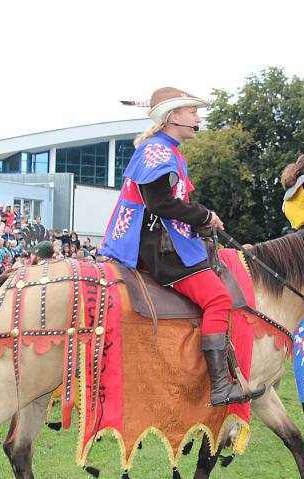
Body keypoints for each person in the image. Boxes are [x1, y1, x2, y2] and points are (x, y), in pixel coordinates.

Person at [99, 86, 264, 407]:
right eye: (192, 113)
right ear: (174, 116)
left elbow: (171, 203)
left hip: (165, 240)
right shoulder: (157, 151)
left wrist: (202, 219)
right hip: (159, 247)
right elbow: (160, 203)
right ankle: (219, 387)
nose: (198, 118)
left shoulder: (167, 150)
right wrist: (204, 214)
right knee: (218, 299)